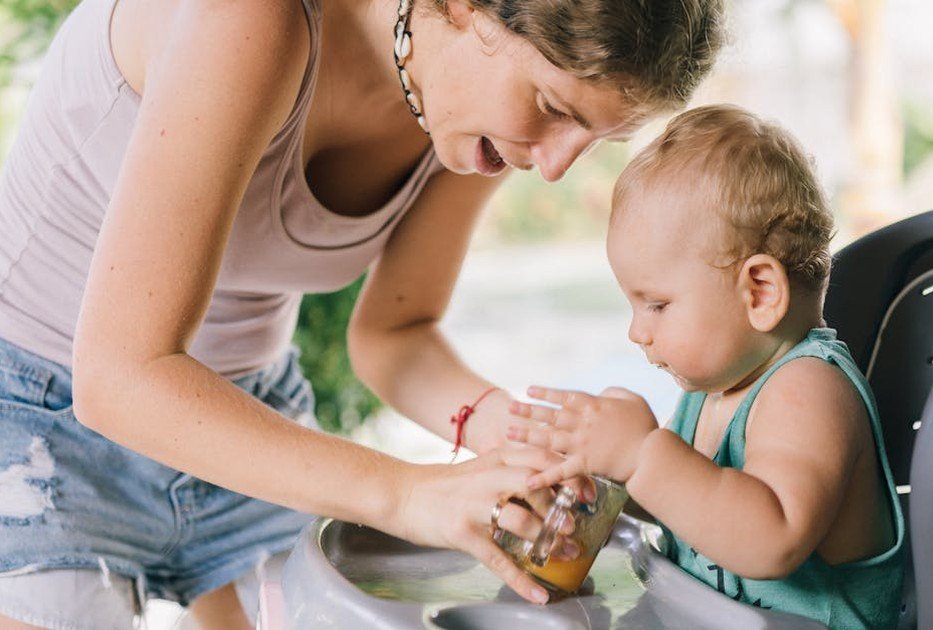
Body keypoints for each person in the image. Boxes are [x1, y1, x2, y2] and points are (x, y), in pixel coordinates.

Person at [0, 0, 725, 626]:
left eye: (594, 138)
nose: (556, 164)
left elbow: (395, 336)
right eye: (555, 107)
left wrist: (521, 442)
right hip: (35, 417)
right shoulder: (251, 19)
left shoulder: (478, 114)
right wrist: (406, 493)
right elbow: (120, 376)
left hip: (249, 416)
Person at [508, 104, 906, 627]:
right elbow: (695, 512)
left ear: (759, 292)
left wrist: (642, 456)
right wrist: (610, 476)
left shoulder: (809, 388)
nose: (637, 332)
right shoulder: (711, 392)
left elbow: (771, 540)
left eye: (657, 305)